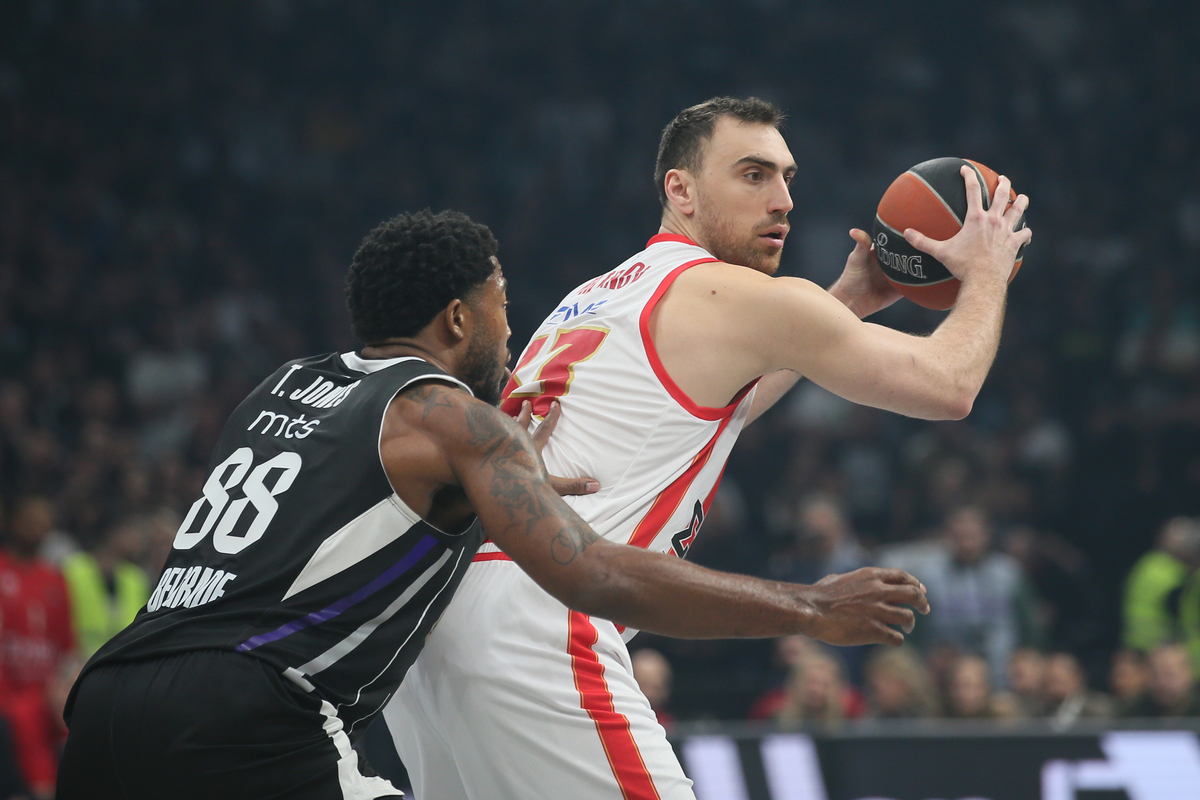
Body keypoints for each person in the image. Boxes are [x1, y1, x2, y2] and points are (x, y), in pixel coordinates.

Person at [57, 210, 928, 800]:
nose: (511, 330)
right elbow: (594, 576)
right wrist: (809, 606)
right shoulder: (455, 420)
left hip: (109, 696)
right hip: (246, 710)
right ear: (458, 320)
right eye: (502, 306)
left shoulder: (284, 386)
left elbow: (333, 508)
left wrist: (489, 487)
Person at [387, 96, 1031, 799]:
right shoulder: (736, 294)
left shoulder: (596, 294)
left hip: (431, 628)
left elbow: (725, 404)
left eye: (788, 178)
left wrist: (845, 300)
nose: (782, 199)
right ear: (681, 189)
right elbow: (949, 386)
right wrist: (988, 271)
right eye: (753, 176)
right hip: (536, 624)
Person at [0, 497, 74, 800]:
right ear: (13, 522)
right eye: (31, 521)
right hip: (10, 703)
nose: (38, 529)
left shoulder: (55, 580)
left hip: (48, 700)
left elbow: (67, 649)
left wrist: (60, 695)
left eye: (44, 524)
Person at [60, 516, 151, 658]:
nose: (136, 537)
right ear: (112, 533)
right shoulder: (73, 570)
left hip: (122, 663)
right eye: (130, 530)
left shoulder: (136, 579)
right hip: (79, 663)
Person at [1040, 651, 1113, 726]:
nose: (1054, 688)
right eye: (1049, 682)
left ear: (1076, 678)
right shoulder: (1041, 711)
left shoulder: (1099, 707)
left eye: (1057, 681)